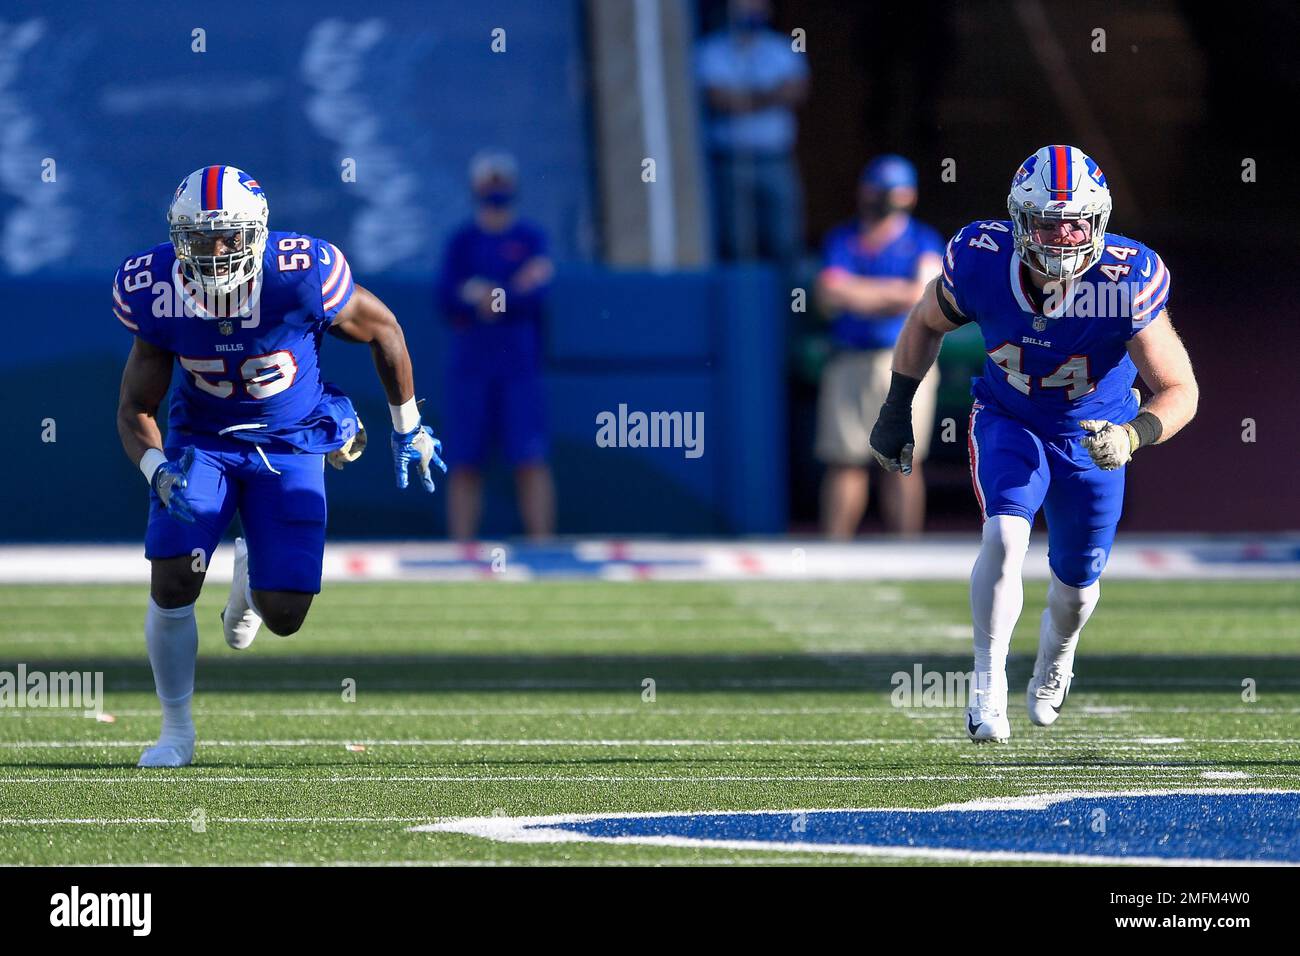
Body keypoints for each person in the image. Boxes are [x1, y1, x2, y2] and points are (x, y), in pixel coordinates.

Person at [114, 165, 446, 768]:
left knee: (285, 614)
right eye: (197, 237)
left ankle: (249, 573)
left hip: (289, 442)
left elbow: (386, 329)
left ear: (257, 234)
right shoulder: (154, 287)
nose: (214, 253)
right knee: (173, 576)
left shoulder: (303, 276)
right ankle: (176, 732)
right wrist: (158, 469)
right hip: (205, 441)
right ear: (175, 236)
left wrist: (409, 427)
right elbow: (136, 407)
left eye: (229, 237)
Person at [869, 145, 1198, 743]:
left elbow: (1179, 387)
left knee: (1075, 588)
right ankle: (986, 686)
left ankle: (1057, 658)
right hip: (1010, 417)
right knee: (1006, 530)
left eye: (1076, 221)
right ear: (1020, 222)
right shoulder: (981, 260)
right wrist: (896, 407)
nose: (1063, 236)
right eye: (1048, 222)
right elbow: (923, 322)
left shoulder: (1124, 280)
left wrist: (1134, 436)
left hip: (1094, 436)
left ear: (1099, 221)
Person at [815, 155, 943, 537]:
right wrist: (892, 294)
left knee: (902, 461)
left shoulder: (922, 238)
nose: (887, 198)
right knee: (845, 460)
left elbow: (923, 294)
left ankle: (906, 551)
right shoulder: (844, 238)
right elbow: (828, 292)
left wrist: (859, 293)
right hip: (850, 358)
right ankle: (834, 552)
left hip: (907, 360)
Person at [437, 151, 555, 540]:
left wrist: (490, 295)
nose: (495, 191)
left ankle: (541, 544)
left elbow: (536, 292)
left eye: (500, 183)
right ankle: (463, 546)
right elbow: (447, 298)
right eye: (489, 183)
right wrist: (497, 293)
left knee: (529, 457)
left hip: (518, 365)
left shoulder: (530, 237)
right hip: (472, 366)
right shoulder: (463, 241)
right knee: (465, 460)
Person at [696, 0, 809, 265]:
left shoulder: (782, 48)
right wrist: (769, 95)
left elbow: (796, 90)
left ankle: (792, 305)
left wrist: (744, 99)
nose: (749, 10)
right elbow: (717, 98)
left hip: (775, 159)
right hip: (729, 162)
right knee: (736, 242)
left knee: (785, 240)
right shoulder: (712, 49)